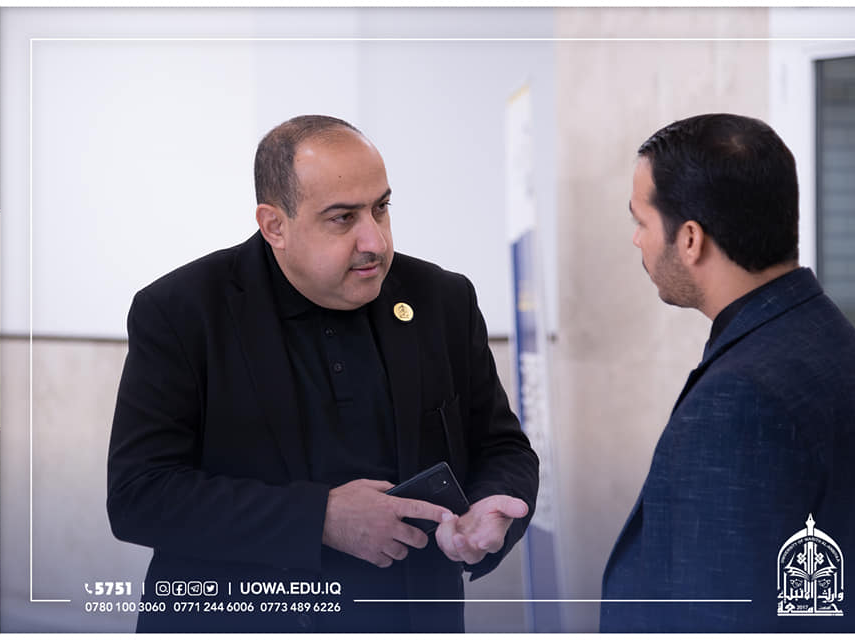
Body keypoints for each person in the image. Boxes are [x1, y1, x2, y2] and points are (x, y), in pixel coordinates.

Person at [107, 115, 539, 633]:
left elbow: (502, 448)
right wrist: (321, 519)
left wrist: (490, 508)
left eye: (381, 208)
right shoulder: (183, 311)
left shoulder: (441, 299)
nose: (374, 240)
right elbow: (139, 495)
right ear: (275, 226)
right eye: (342, 218)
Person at [600, 114, 855, 632]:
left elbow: (715, 616)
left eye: (641, 222)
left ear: (690, 239)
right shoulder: (830, 337)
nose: (636, 241)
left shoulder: (739, 399)